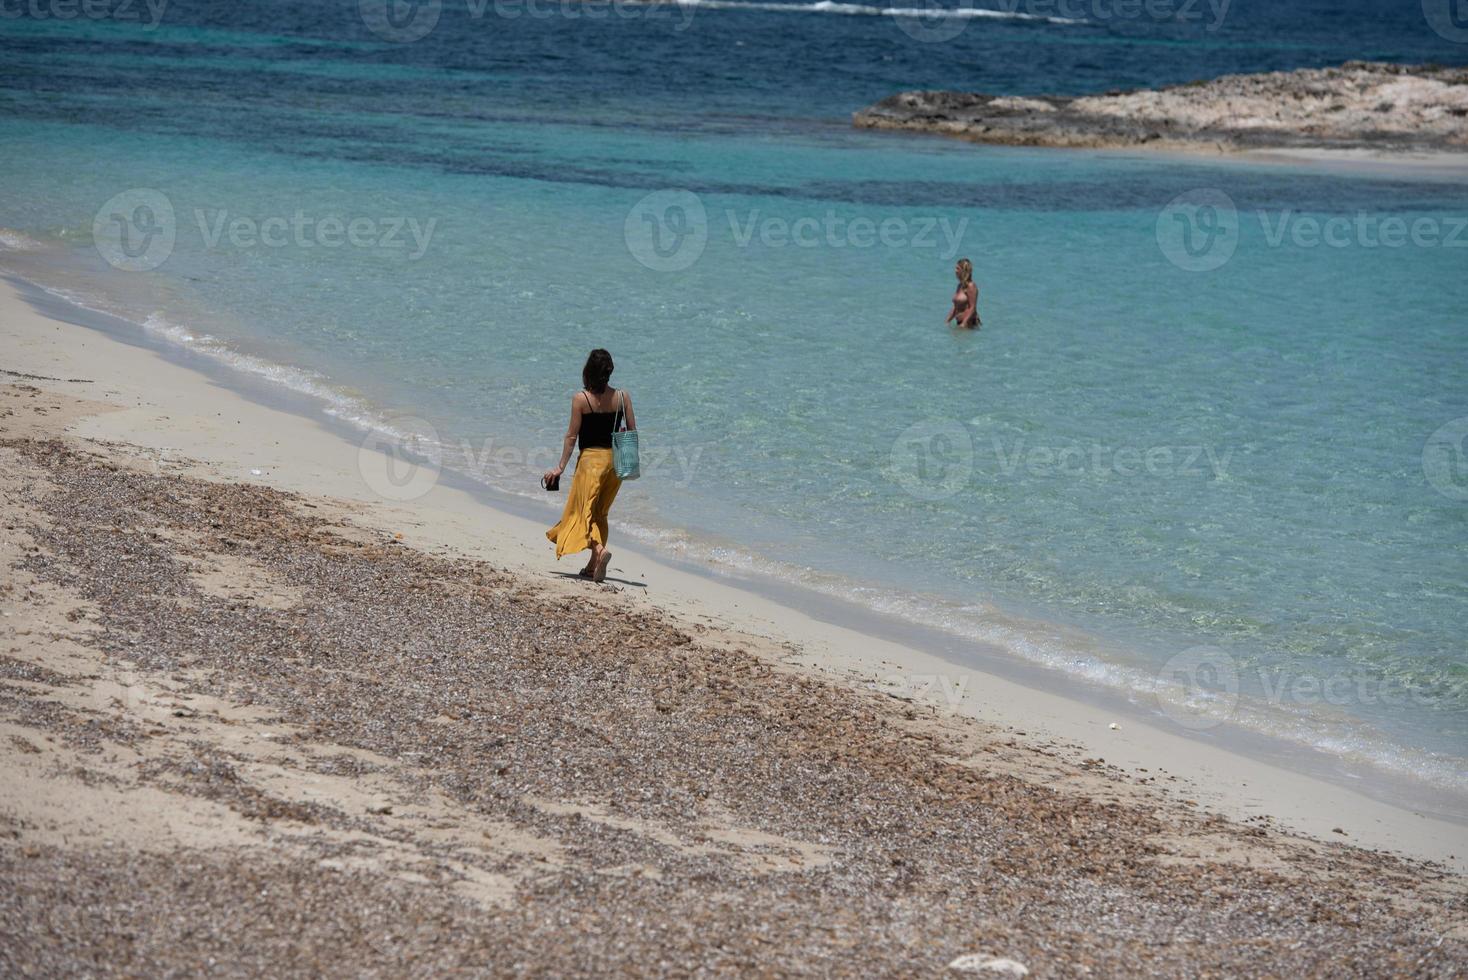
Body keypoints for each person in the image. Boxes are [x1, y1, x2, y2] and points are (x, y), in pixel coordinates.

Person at [544, 348, 635, 583]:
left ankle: (599, 551)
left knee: (584, 513)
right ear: (609, 371)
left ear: (588, 372)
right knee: (601, 513)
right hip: (615, 463)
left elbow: (571, 437)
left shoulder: (581, 399)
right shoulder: (623, 397)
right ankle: (593, 567)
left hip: (591, 463)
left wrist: (560, 467)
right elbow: (632, 432)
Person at [946, 257, 980, 329]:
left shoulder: (971, 286)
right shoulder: (960, 286)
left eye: (957, 268)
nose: (955, 271)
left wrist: (964, 323)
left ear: (963, 270)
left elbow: (972, 308)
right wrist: (947, 321)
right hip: (960, 324)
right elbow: (956, 307)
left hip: (969, 325)